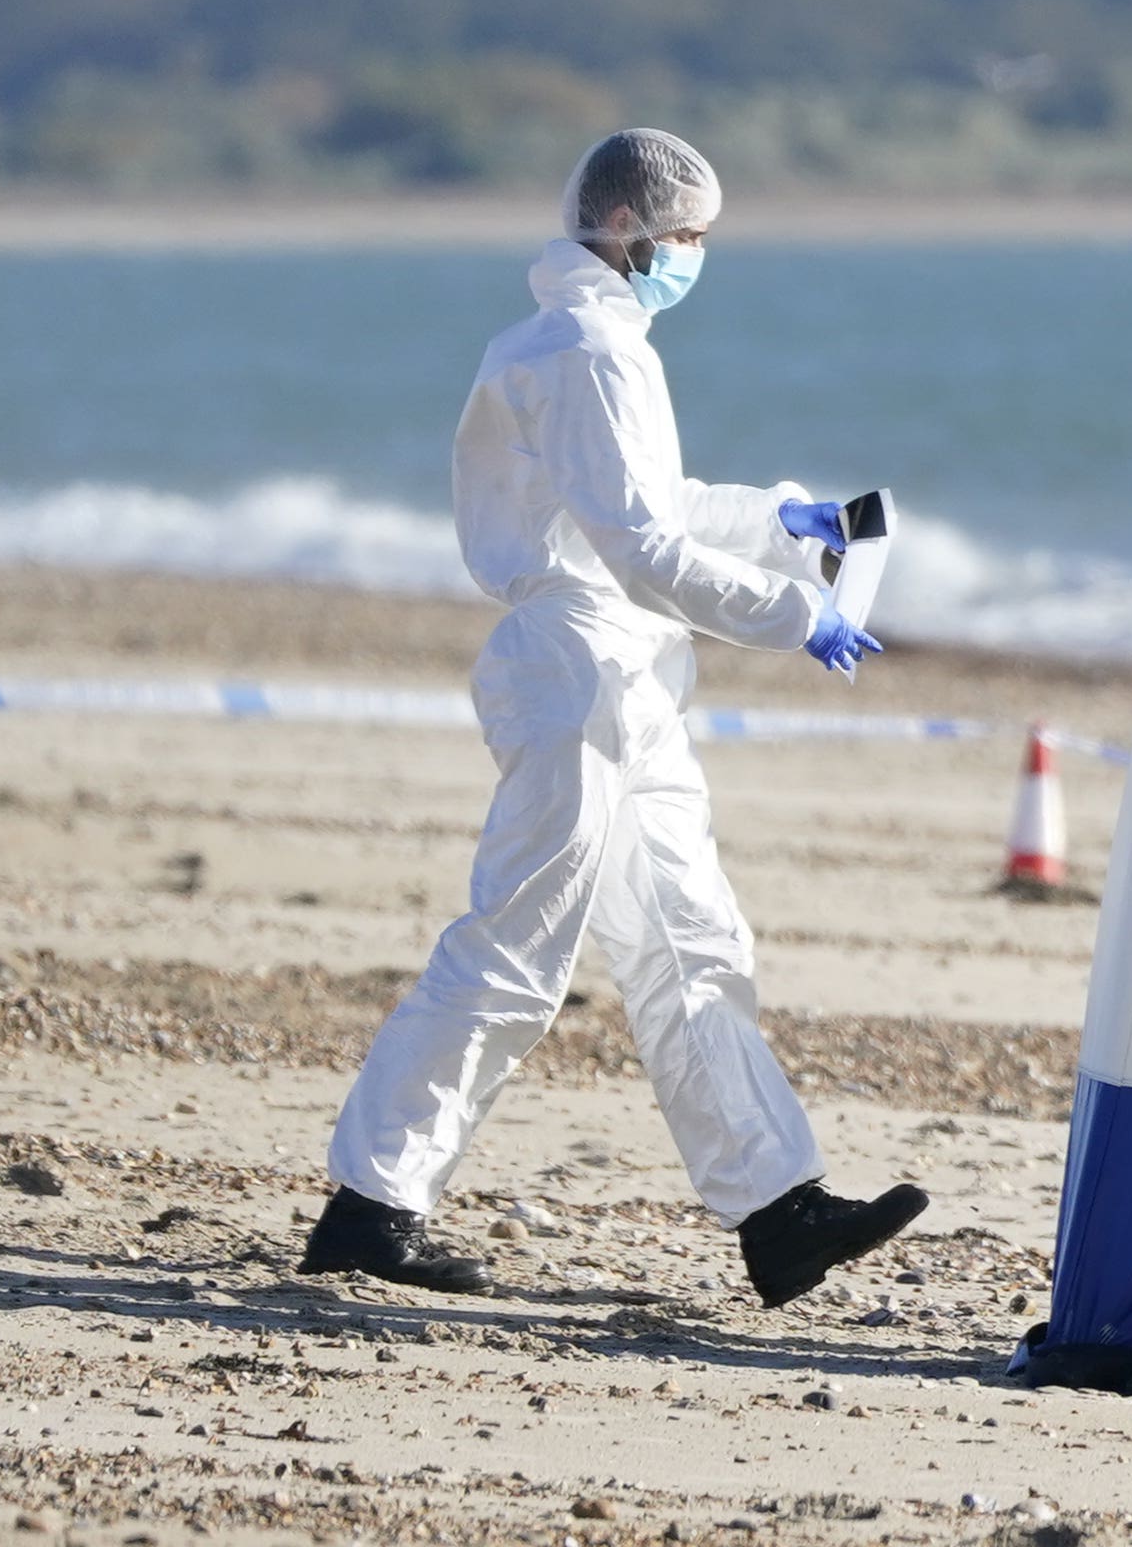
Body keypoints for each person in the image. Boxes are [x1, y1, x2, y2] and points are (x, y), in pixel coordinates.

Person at [301, 128, 919, 1305]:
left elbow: (646, 500)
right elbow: (637, 547)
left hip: (629, 673)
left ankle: (777, 1210)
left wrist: (787, 516)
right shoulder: (586, 348)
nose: (698, 253)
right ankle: (371, 1208)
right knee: (516, 949)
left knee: (693, 941)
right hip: (577, 667)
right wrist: (800, 618)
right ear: (631, 229)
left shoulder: (592, 340)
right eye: (690, 234)